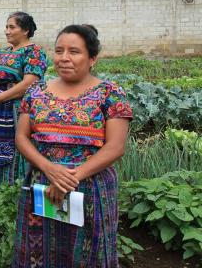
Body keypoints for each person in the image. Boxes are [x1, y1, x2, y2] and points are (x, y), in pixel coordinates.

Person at [13, 24, 131, 267]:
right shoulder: (36, 92)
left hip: (90, 186)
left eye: (74, 52)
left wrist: (69, 178)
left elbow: (115, 146)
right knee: (42, 249)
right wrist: (50, 170)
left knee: (89, 253)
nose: (64, 58)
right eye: (59, 51)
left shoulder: (110, 94)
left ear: (92, 58)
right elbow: (22, 138)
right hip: (43, 184)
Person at [0, 11, 49, 186]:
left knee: (14, 149)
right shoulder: (2, 52)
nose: (7, 31)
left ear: (26, 30)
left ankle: (11, 191)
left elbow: (29, 83)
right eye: (6, 27)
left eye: (12, 27)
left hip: (16, 111)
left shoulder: (34, 53)